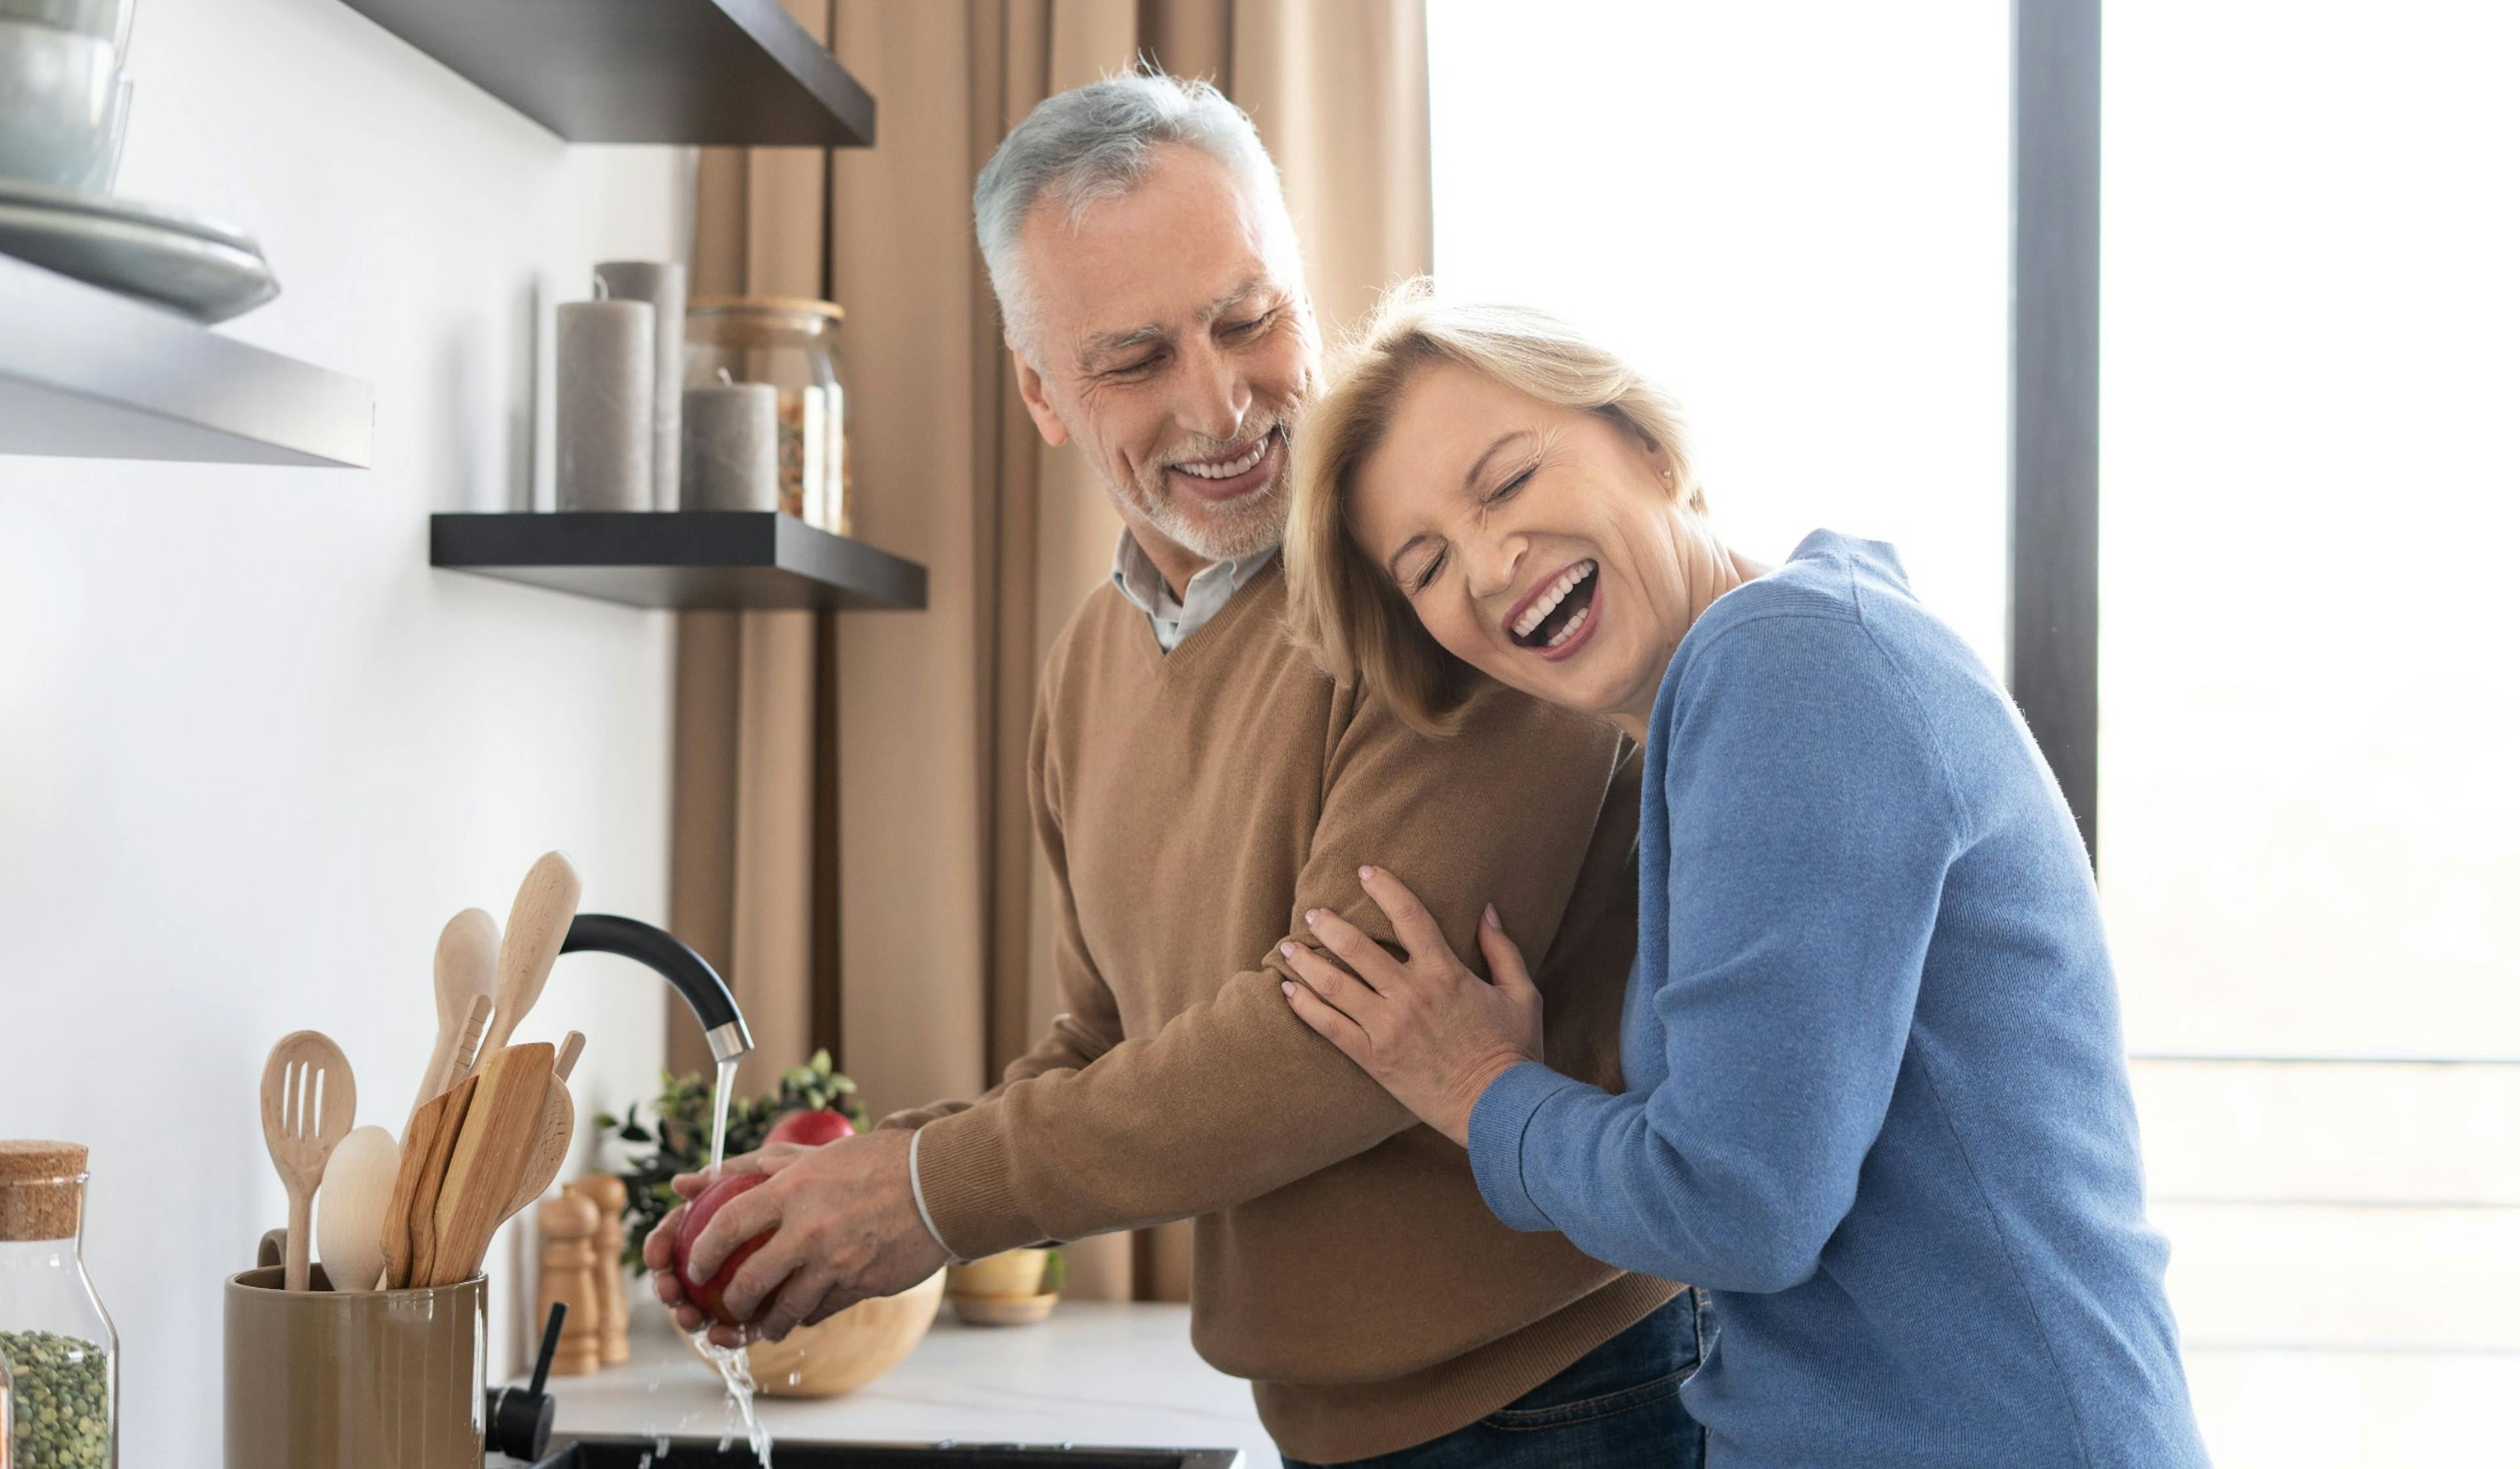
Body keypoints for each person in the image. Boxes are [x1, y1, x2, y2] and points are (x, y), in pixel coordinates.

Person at [646, 76, 1708, 1467]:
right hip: (1331, 1421)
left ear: (1306, 292)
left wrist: (921, 1192)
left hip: (1568, 1398)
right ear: (1040, 392)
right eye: (1135, 360)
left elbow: (1332, 1043)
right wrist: (862, 1181)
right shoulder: (1094, 656)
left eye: (1248, 318)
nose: (1221, 404)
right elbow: (1106, 1047)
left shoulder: (1437, 597)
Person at [1274, 286, 2211, 1468]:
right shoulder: (1789, 669)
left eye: (1507, 481)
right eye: (1425, 566)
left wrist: (1480, 1088)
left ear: (1648, 445)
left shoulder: (1781, 663)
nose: (1489, 561)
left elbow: (1739, 1206)